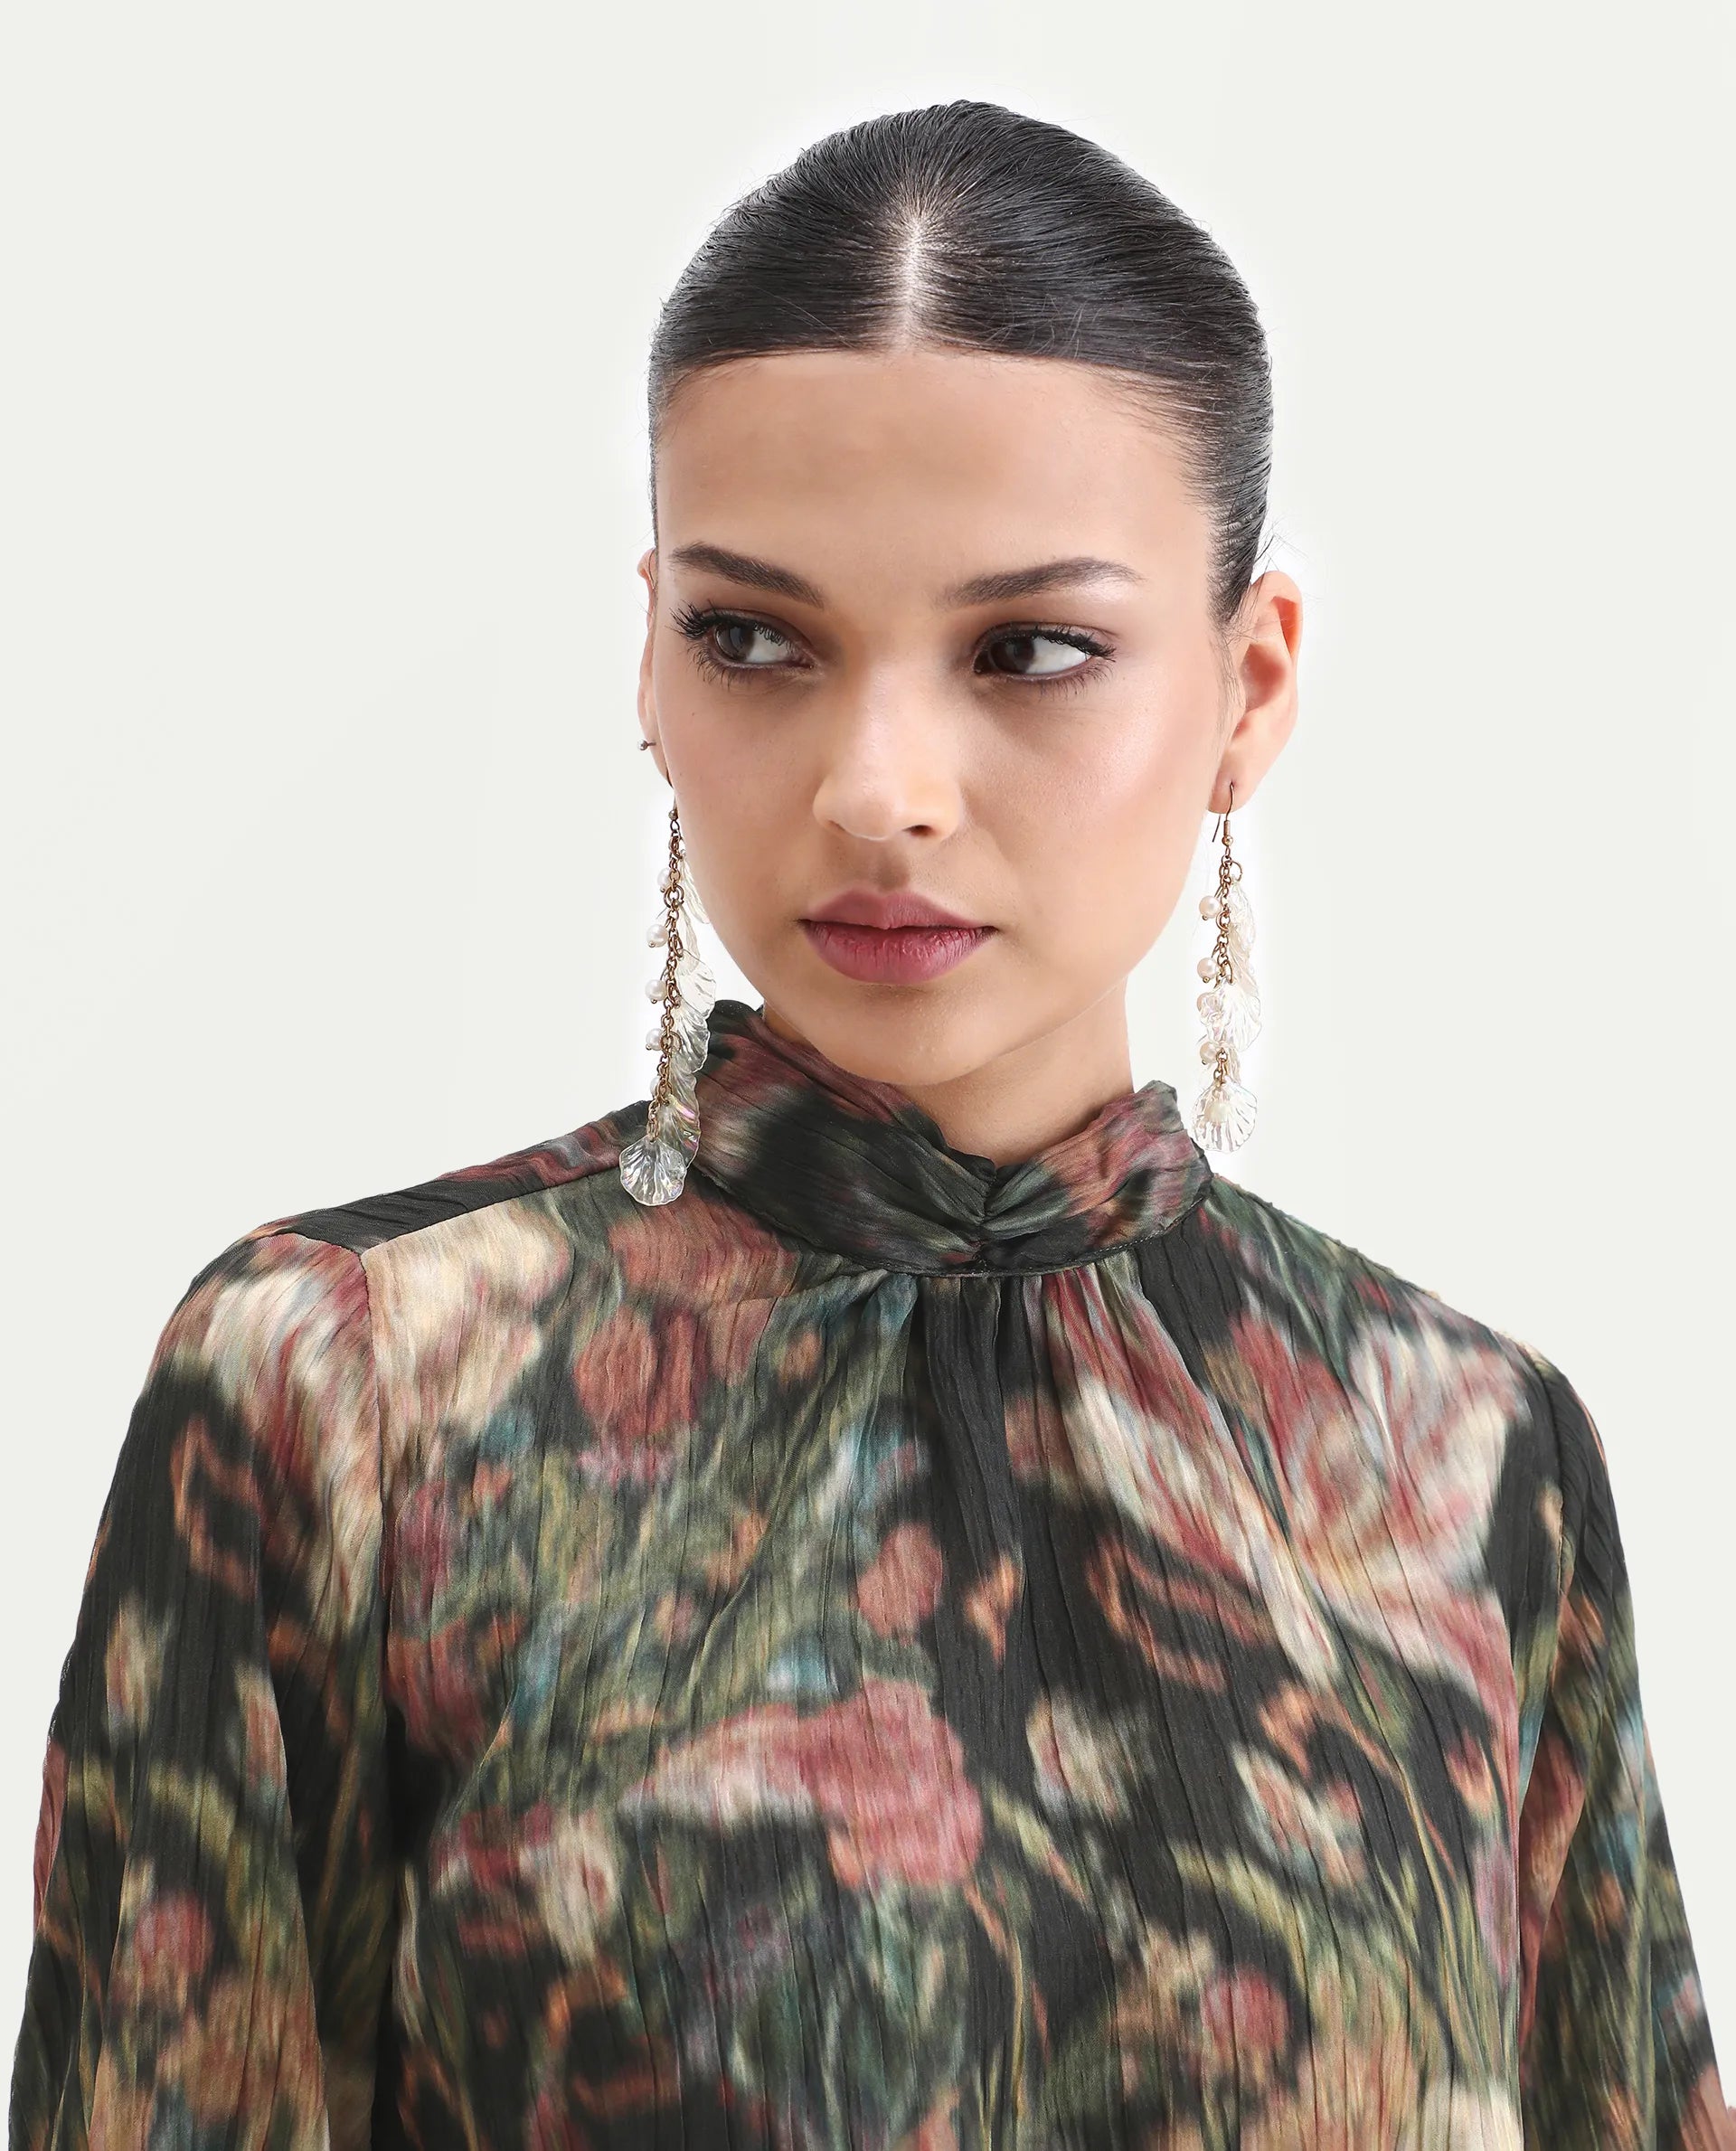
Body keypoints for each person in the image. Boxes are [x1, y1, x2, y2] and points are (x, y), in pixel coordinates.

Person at [8, 97, 1730, 2151]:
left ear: (1250, 688)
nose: (879, 787)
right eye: (756, 637)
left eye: (1033, 649)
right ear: (650, 658)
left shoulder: (1465, 1448)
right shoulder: (348, 1382)